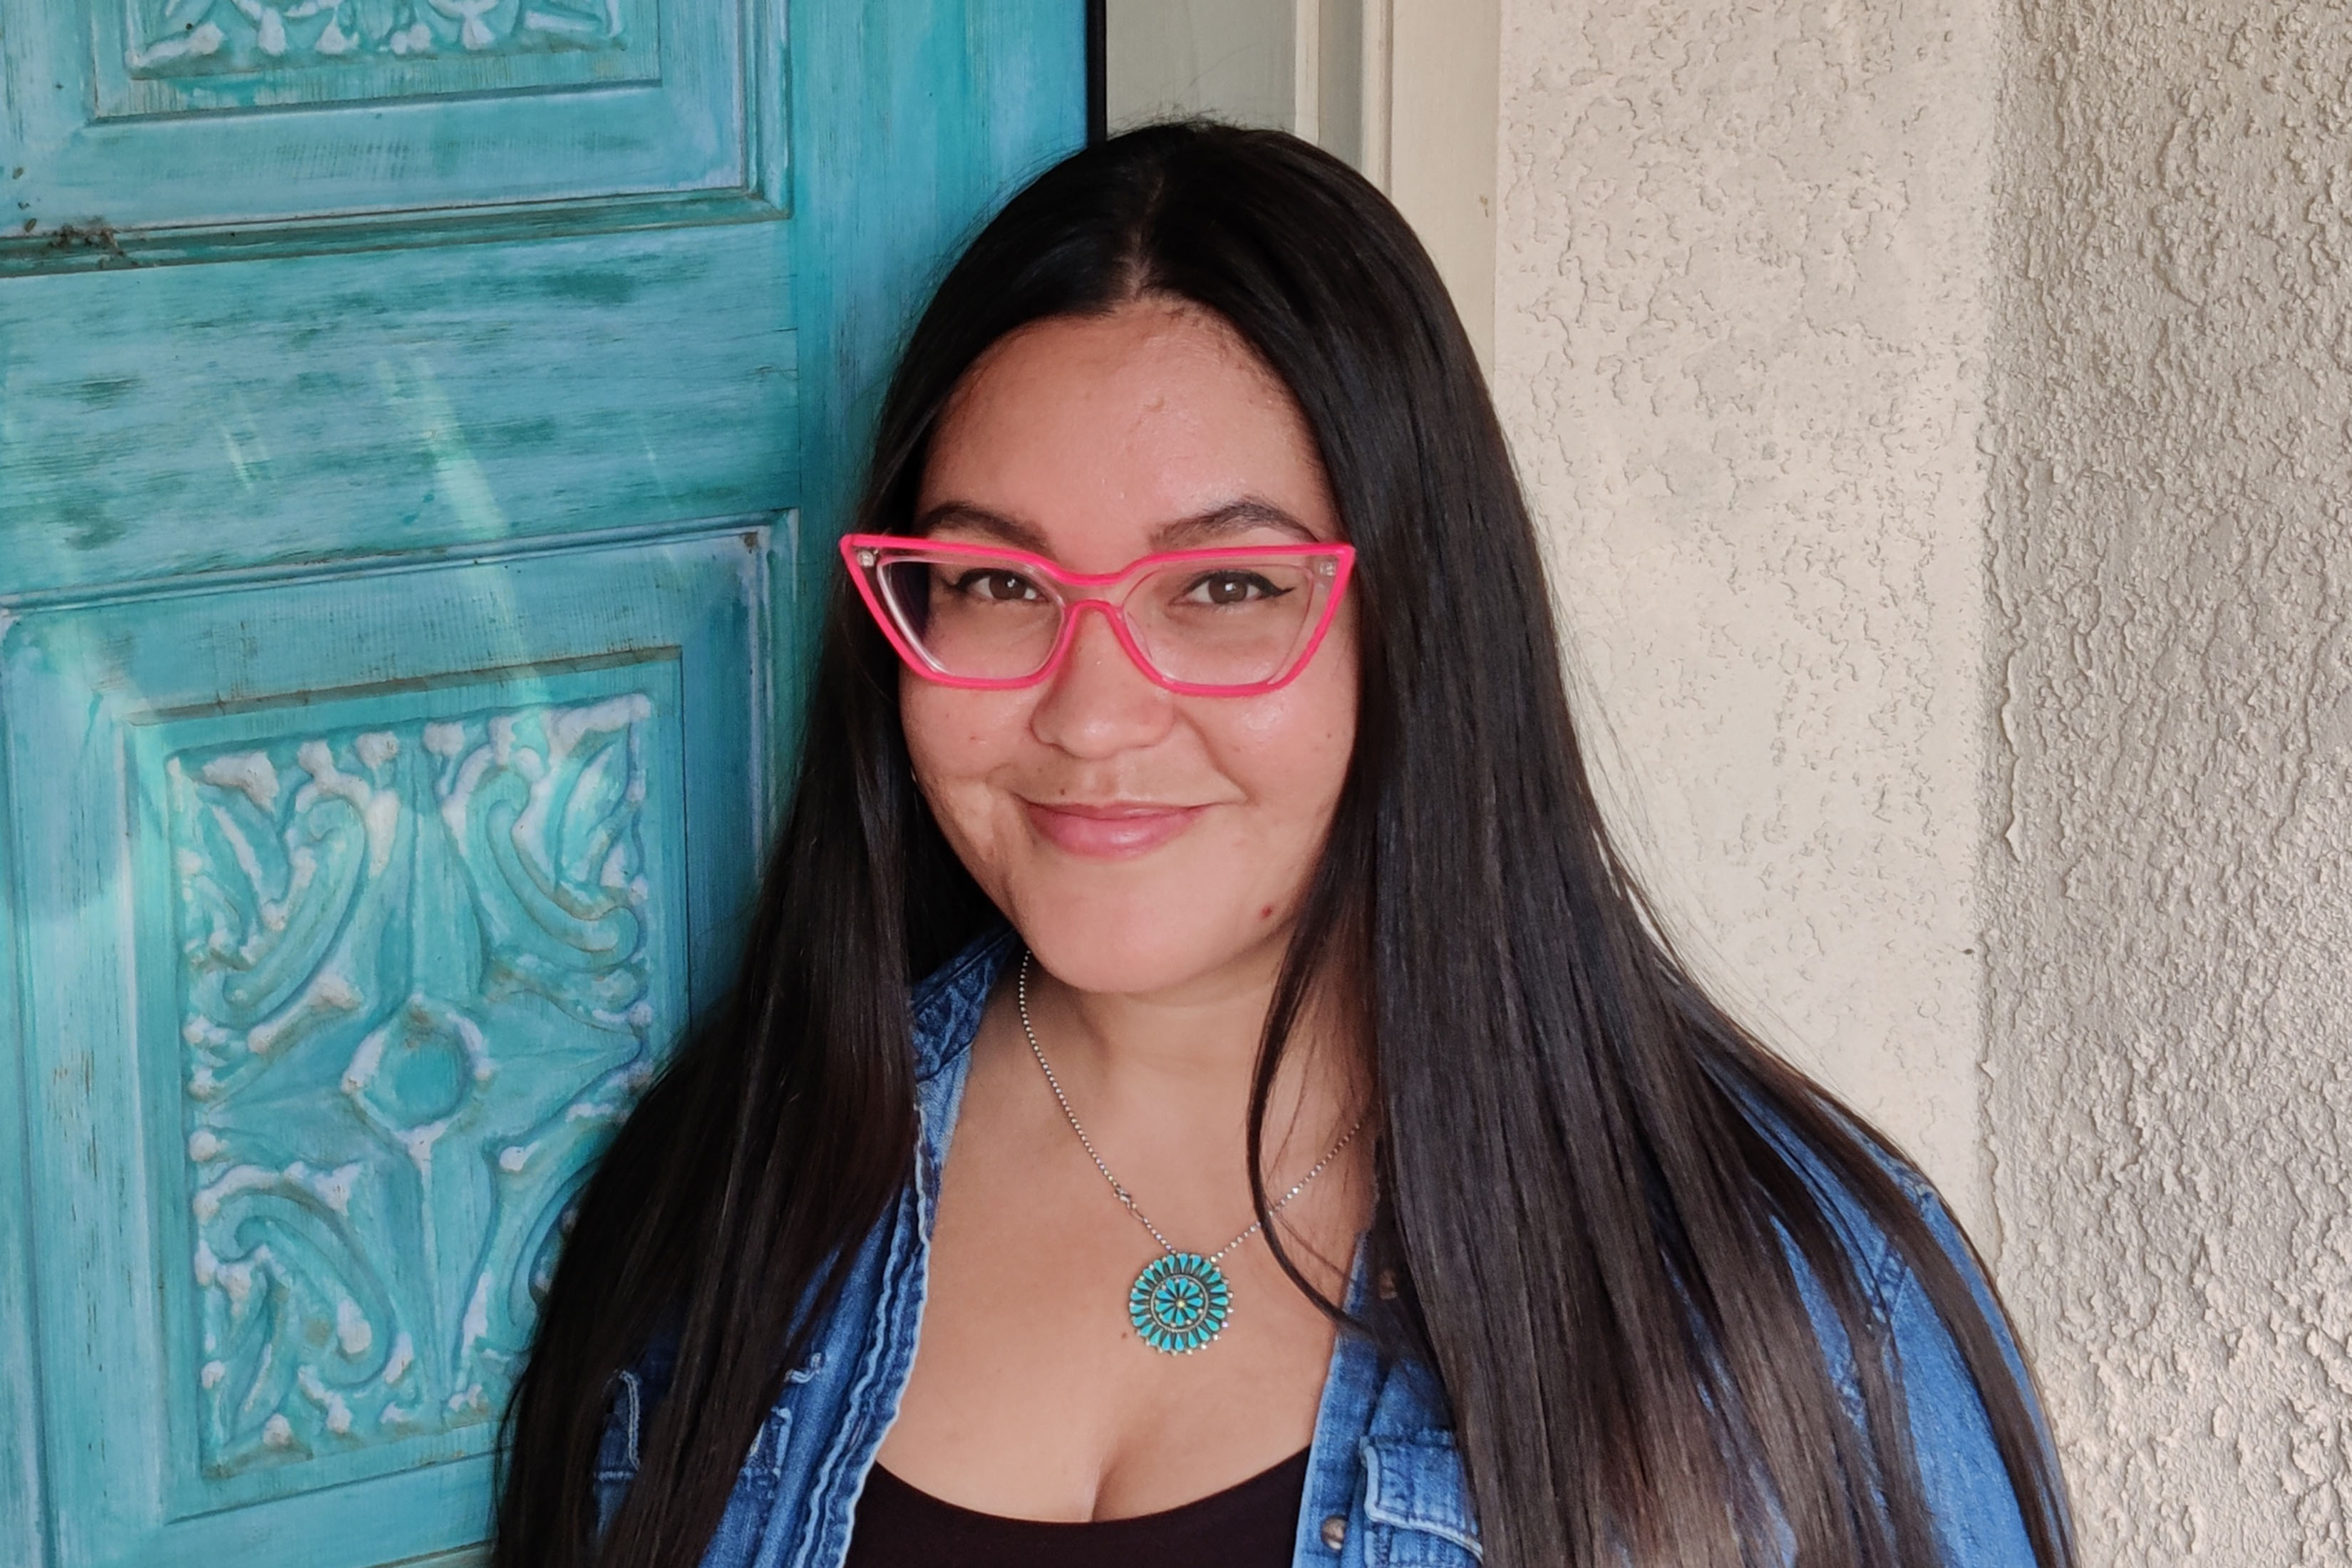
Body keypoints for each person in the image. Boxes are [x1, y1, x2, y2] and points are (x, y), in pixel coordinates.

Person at [495, 122, 2077, 1568]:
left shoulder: (1789, 1295)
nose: (1093, 713)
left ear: (1416, 621)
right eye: (996, 584)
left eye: (1228, 590)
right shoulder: (735, 1188)